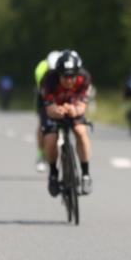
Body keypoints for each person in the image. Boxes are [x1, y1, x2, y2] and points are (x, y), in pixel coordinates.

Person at [37, 49, 92, 196]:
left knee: (81, 131)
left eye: (72, 76)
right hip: (53, 108)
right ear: (58, 74)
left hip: (73, 106)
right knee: (50, 138)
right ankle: (53, 174)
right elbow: (48, 108)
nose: (69, 80)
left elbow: (82, 105)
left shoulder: (84, 78)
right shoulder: (48, 80)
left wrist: (75, 110)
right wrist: (58, 111)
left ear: (77, 74)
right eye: (65, 76)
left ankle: (85, 174)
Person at [33, 50, 61, 172]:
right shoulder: (41, 68)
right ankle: (40, 154)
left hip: (62, 93)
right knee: (43, 124)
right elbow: (44, 90)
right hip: (45, 94)